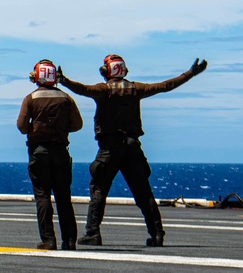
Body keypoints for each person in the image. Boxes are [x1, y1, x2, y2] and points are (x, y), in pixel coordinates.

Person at [59, 54, 208, 247]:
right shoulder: (136, 89)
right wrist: (191, 73)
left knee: (99, 190)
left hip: (109, 148)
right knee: (143, 192)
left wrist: (64, 81)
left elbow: (82, 89)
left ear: (107, 71)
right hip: (132, 147)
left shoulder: (104, 90)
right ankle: (157, 233)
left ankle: (93, 233)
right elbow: (166, 85)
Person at [16, 59, 83, 251]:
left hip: (39, 152)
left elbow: (21, 127)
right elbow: (77, 124)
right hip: (60, 151)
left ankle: (48, 239)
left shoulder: (30, 98)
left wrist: (34, 129)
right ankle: (70, 240)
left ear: (37, 76)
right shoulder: (66, 98)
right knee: (63, 197)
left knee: (42, 196)